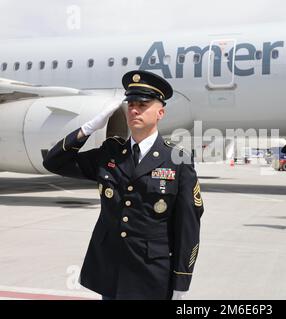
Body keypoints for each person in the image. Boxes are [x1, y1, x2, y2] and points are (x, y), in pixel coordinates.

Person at [43, 70, 204, 300]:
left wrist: (181, 282)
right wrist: (88, 129)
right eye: (131, 104)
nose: (134, 109)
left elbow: (188, 227)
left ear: (160, 112)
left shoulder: (177, 160)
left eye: (143, 104)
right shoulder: (111, 153)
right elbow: (53, 162)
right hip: (111, 273)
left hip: (152, 277)